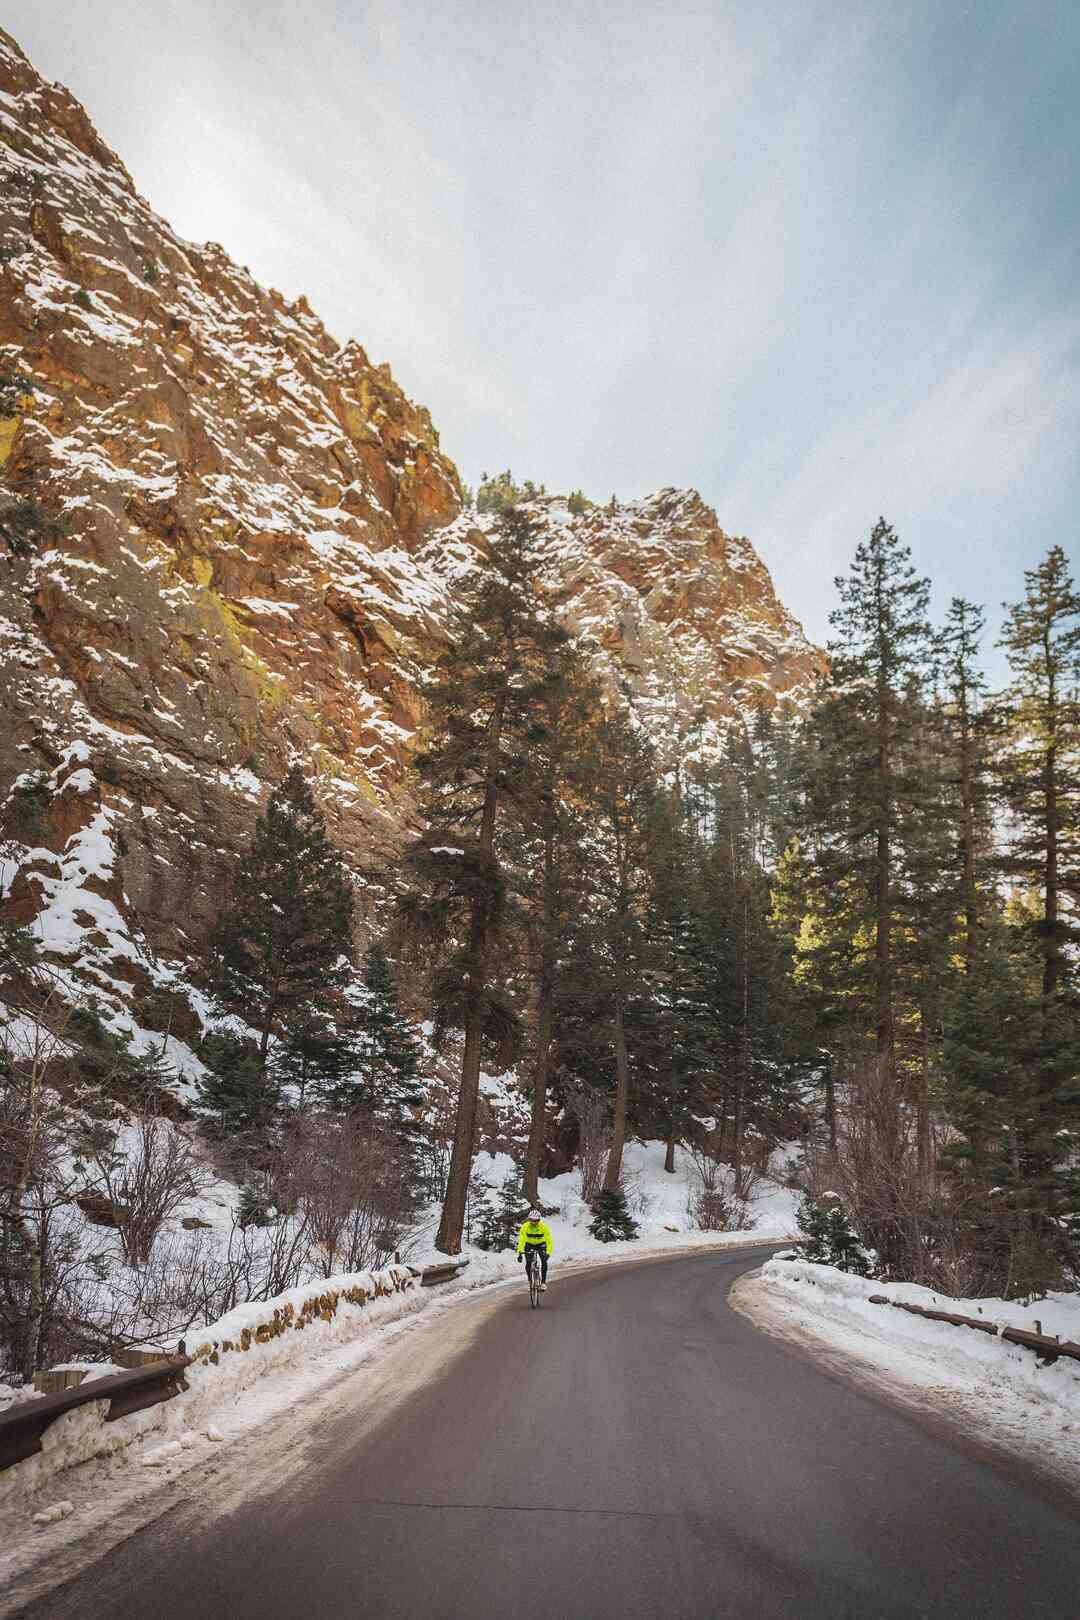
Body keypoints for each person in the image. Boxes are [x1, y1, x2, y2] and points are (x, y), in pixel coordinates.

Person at [516, 1207, 553, 1290]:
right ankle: (530, 1281)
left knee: (544, 1261)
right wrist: (520, 1253)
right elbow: (521, 1239)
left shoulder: (543, 1227)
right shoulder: (525, 1226)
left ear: (539, 1220)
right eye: (532, 1220)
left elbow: (549, 1241)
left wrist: (548, 1253)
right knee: (528, 1262)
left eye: (536, 1220)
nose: (533, 1222)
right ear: (529, 1219)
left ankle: (543, 1283)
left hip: (541, 1244)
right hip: (529, 1244)